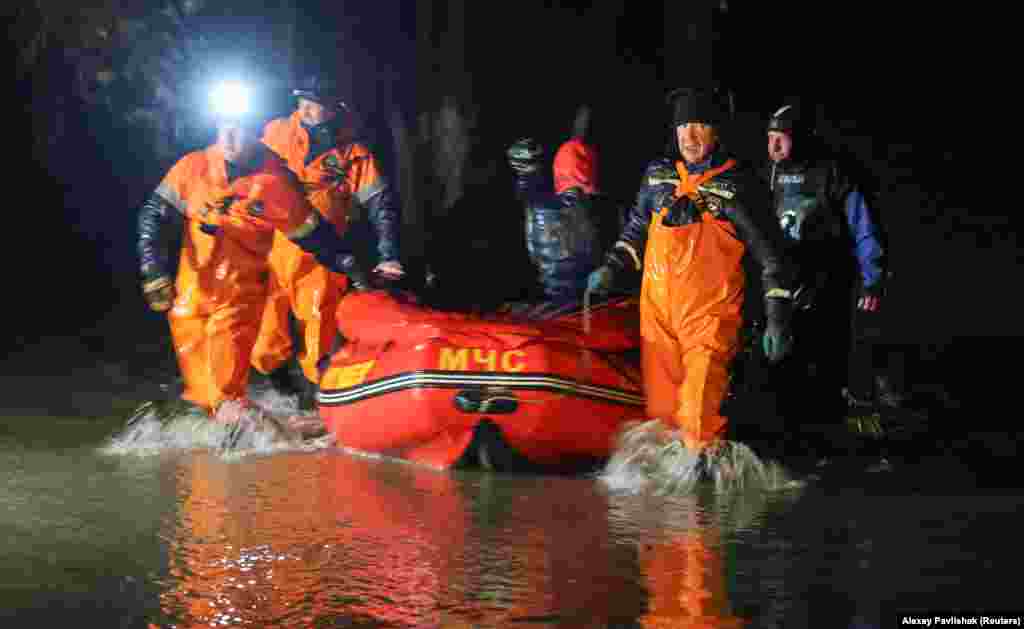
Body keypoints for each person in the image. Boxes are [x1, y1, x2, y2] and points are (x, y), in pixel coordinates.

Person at [586, 87, 796, 454]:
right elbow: (636, 231)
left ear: (716, 131)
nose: (689, 136)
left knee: (698, 417)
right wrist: (612, 266)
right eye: (683, 126)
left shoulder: (740, 185)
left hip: (710, 319)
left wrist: (778, 316)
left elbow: (772, 256)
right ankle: (666, 500)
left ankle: (705, 498)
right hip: (658, 319)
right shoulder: (657, 176)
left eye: (699, 125)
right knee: (662, 416)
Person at [137, 89, 367, 417]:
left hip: (238, 296)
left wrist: (355, 271)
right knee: (200, 396)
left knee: (225, 391)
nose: (230, 138)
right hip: (190, 296)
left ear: (255, 135)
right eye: (224, 127)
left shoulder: (275, 183)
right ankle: (268, 426)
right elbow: (153, 214)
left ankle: (263, 429)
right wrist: (152, 268)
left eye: (239, 130)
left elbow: (316, 237)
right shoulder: (193, 167)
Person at [251, 72, 402, 399]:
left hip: (323, 257)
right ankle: (283, 393)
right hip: (272, 251)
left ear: (333, 108)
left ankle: (320, 404)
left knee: (317, 336)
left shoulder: (353, 152)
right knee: (263, 342)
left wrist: (388, 253)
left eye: (314, 104)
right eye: (301, 102)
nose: (305, 110)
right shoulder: (276, 132)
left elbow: (380, 204)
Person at [764, 102, 904, 413]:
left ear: (798, 137)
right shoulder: (767, 174)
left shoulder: (832, 172)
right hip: (782, 282)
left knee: (830, 363)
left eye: (782, 137)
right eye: (770, 136)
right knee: (782, 367)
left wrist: (873, 279)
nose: (774, 145)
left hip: (827, 279)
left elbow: (863, 227)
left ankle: (852, 421)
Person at [505, 132, 619, 302]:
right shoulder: (608, 211)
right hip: (595, 304)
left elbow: (527, 185)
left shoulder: (538, 205)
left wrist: (526, 171)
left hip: (546, 301)